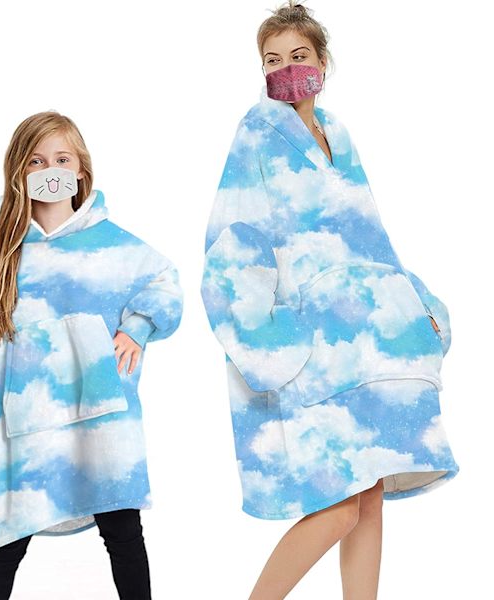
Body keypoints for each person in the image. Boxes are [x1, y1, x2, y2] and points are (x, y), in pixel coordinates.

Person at [199, 2, 459, 598]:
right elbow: (235, 235)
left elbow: (368, 234)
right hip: (312, 341)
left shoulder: (338, 133)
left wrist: (415, 303)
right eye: (272, 60)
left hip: (369, 337)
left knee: (369, 497)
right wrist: (261, 333)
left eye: (298, 56)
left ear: (323, 62)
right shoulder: (257, 132)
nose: (286, 69)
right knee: (338, 506)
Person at [0, 110, 183, 599]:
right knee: (4, 545)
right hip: (20, 430)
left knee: (123, 531)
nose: (51, 170)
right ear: (18, 171)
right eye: (37, 161)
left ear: (81, 169)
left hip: (102, 425)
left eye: (62, 159)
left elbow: (164, 282)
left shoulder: (114, 247)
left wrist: (138, 327)